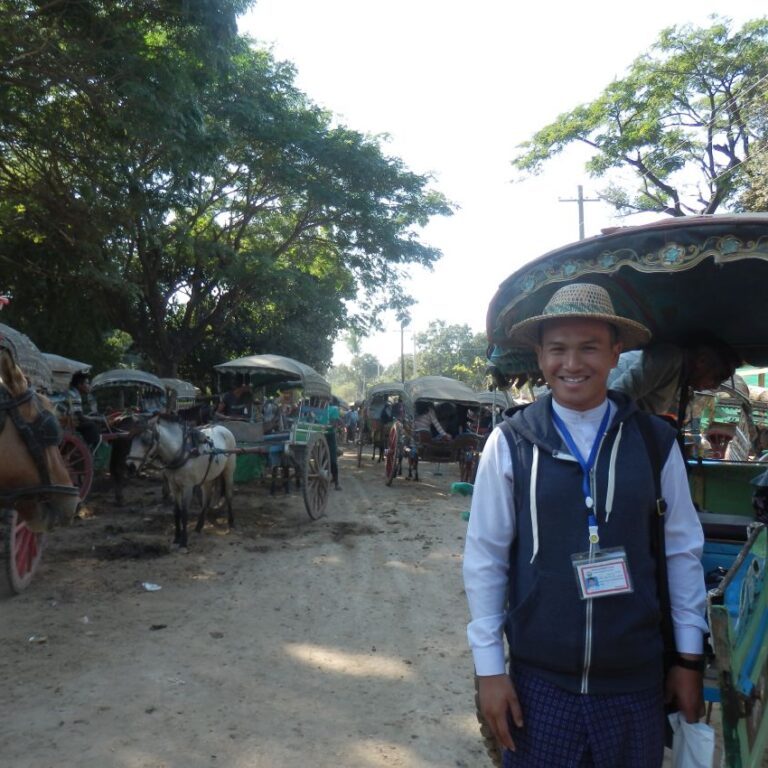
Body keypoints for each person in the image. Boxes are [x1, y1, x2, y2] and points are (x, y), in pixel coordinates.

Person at [463, 282, 707, 768]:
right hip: (539, 685)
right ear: (540, 355)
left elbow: (682, 551)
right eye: (558, 349)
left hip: (636, 684)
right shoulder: (510, 443)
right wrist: (490, 671)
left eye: (589, 347)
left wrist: (687, 660)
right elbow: (485, 559)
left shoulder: (656, 443)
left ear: (617, 353)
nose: (572, 364)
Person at [608, 333, 740, 424]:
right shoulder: (669, 359)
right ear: (702, 361)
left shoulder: (682, 379)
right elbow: (616, 397)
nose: (715, 386)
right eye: (716, 378)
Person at [64, 371, 101, 451]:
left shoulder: (71, 392)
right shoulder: (75, 395)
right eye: (87, 383)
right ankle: (88, 450)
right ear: (79, 385)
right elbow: (80, 417)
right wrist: (97, 419)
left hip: (69, 420)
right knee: (92, 426)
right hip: (69, 423)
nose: (88, 386)